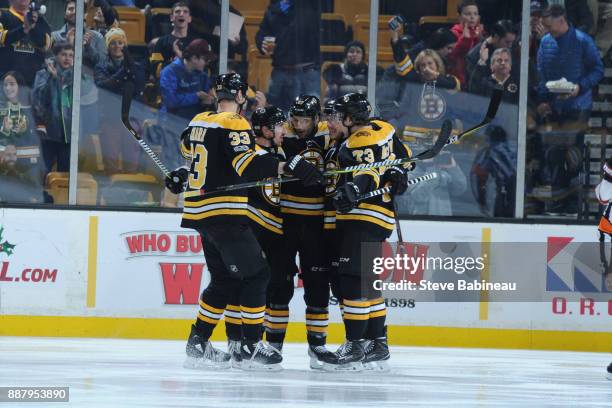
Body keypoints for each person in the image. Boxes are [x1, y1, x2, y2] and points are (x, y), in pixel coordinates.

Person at [163, 72, 324, 370]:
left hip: (199, 212)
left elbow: (195, 156)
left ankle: (197, 342)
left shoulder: (198, 120)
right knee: (257, 275)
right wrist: (291, 166)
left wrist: (181, 175)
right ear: (239, 96)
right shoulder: (235, 123)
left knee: (224, 279)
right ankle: (249, 347)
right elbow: (246, 165)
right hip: (224, 212)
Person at [319, 93, 411, 371]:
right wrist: (398, 173)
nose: (335, 120)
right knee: (368, 283)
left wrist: (354, 189)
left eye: (340, 115)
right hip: (379, 216)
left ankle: (355, 344)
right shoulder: (385, 130)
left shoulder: (358, 140)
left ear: (349, 118)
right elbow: (405, 158)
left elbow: (366, 173)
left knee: (354, 282)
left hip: (363, 215)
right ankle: (378, 344)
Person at [277, 95, 336, 368]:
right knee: (278, 284)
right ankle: (274, 346)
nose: (299, 125)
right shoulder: (282, 133)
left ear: (316, 119)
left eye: (305, 120)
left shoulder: (328, 136)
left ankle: (318, 346)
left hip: (316, 225)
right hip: (285, 222)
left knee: (317, 287)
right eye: (296, 119)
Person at [94, 27, 145, 174]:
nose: (117, 46)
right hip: (110, 118)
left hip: (133, 118)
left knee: (132, 161)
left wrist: (126, 73)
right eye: (113, 43)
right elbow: (103, 86)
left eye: (120, 43)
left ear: (125, 45)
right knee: (111, 161)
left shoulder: (136, 66)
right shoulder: (101, 66)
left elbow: (139, 87)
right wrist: (124, 73)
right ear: (107, 46)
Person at [255, 0, 321, 111]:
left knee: (310, 115)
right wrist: (262, 44)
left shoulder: (309, 4)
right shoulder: (273, 9)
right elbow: (262, 33)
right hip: (281, 71)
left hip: (307, 71)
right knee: (276, 116)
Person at [31, 41, 74, 174]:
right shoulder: (43, 74)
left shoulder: (77, 76)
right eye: (63, 55)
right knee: (45, 172)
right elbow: (38, 100)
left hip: (68, 133)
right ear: (55, 56)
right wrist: (52, 77)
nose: (67, 58)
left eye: (71, 55)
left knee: (65, 176)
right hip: (49, 132)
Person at [0, 71, 43, 203]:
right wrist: (4, 130)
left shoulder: (32, 107)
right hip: (5, 167)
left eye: (12, 84)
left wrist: (23, 131)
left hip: (29, 165)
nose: (8, 88)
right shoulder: (1, 107)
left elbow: (40, 135)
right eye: (5, 85)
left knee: (32, 199)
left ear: (20, 86)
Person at [159, 38, 216, 120]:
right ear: (194, 58)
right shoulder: (170, 71)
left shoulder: (203, 75)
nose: (207, 63)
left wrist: (210, 100)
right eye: (205, 60)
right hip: (170, 124)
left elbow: (208, 96)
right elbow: (170, 101)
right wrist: (197, 96)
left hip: (194, 123)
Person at [0, 0, 51, 85]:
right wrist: (24, 28)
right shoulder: (2, 15)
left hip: (33, 84)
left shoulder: (40, 20)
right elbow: (2, 38)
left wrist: (32, 27)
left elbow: (46, 45)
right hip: (5, 83)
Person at [470, 125, 516, 217]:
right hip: (521, 197)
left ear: (489, 138)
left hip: (504, 196)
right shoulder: (516, 149)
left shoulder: (491, 153)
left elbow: (480, 179)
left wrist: (482, 202)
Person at [148, 1, 197, 80]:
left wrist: (180, 57)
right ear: (172, 18)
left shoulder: (195, 43)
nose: (181, 14)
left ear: (189, 19)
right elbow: (156, 70)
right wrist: (173, 63)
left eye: (185, 12)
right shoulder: (161, 42)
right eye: (177, 12)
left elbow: (200, 69)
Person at [51, 0, 106, 68]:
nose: (74, 12)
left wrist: (89, 48)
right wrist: (68, 44)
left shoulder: (97, 37)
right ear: (64, 14)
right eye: (71, 9)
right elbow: (50, 62)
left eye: (78, 9)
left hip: (88, 78)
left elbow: (103, 63)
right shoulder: (55, 36)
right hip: (61, 78)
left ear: (85, 14)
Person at [465, 19, 518, 88]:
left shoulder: (509, 51)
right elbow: (474, 85)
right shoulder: (474, 55)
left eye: (512, 42)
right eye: (507, 42)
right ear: (496, 37)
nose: (510, 46)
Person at [449, 0, 485, 88]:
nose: (472, 17)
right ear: (459, 16)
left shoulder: (481, 33)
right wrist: (465, 39)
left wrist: (481, 38)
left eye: (475, 14)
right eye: (468, 14)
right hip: (459, 81)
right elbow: (451, 57)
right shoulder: (452, 34)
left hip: (476, 80)